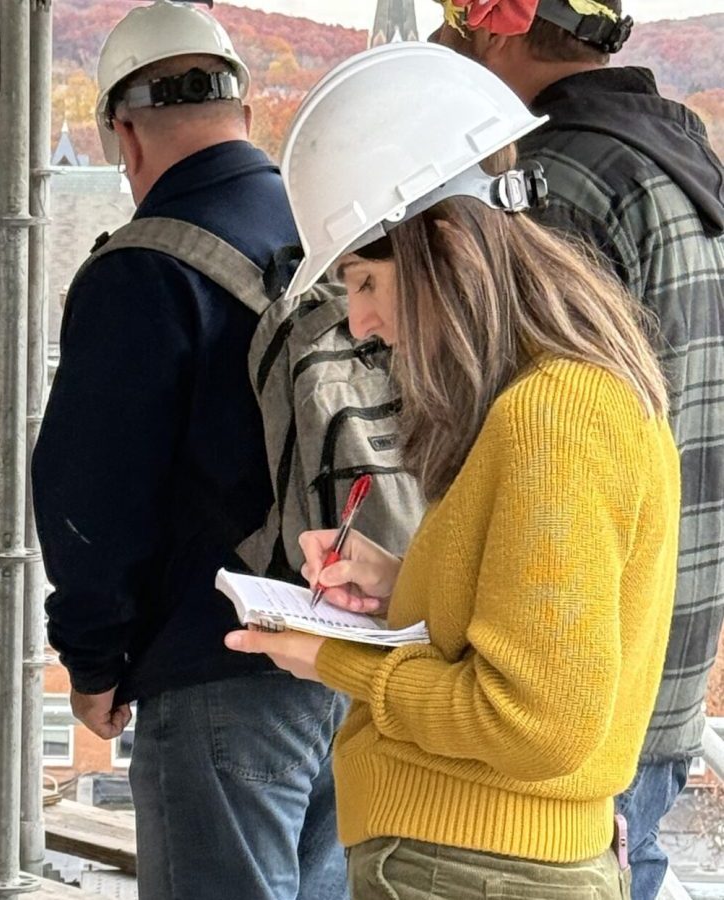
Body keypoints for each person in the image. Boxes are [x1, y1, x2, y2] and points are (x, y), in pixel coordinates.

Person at [227, 42, 681, 899]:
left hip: (467, 869)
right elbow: (541, 631)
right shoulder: (559, 397)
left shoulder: (554, 419)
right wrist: (400, 585)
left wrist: (333, 660)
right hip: (475, 864)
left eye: (363, 281)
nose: (359, 321)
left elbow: (535, 723)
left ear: (441, 249)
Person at [31, 3, 348, 897]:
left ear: (124, 137)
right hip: (350, 658)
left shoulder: (146, 269)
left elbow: (89, 502)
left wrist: (93, 663)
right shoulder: (335, 237)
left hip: (219, 675)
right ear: (245, 115)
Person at [431, 3, 724, 895]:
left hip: (573, 663)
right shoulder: (679, 167)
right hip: (660, 641)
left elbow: (541, 447)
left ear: (499, 31)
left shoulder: (554, 185)